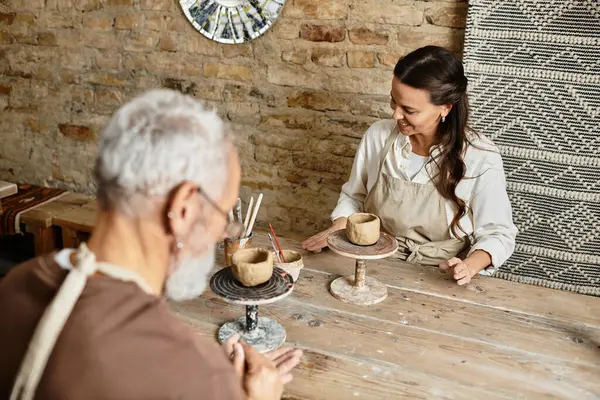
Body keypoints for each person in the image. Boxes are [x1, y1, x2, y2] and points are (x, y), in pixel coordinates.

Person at [0, 89, 302, 400]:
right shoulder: (192, 377)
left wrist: (204, 374)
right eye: (222, 214)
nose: (223, 233)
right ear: (183, 208)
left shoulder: (15, 285)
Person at [303, 46, 518, 285]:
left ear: (445, 107)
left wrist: (468, 266)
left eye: (409, 110)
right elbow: (355, 197)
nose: (395, 115)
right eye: (393, 101)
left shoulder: (480, 156)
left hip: (438, 276)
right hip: (372, 263)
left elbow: (498, 233)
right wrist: (336, 229)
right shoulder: (378, 137)